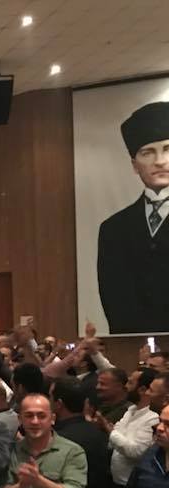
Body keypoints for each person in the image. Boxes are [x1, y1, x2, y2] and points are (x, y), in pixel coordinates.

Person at [97, 101, 169, 334]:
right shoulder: (113, 229)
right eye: (147, 152)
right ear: (135, 165)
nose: (159, 161)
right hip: (135, 345)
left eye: (167, 149)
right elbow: (114, 299)